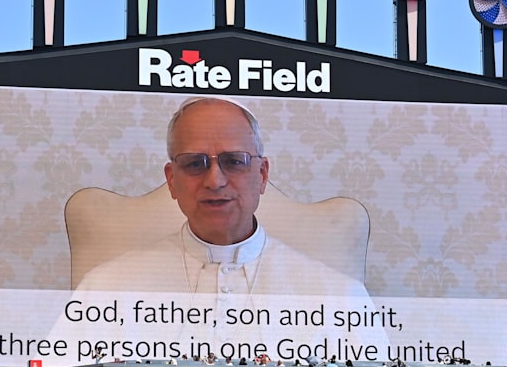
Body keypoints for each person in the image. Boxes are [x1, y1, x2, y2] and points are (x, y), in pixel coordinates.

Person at [72, 98, 376, 300]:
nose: (215, 181)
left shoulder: (338, 296)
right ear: (171, 180)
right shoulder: (105, 289)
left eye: (234, 161)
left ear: (263, 174)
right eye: (194, 163)